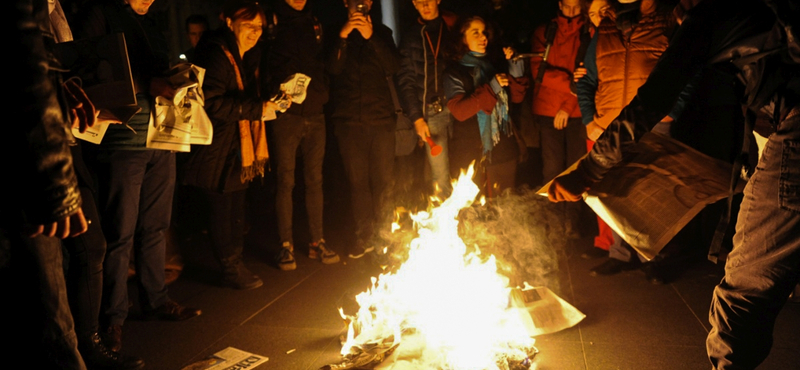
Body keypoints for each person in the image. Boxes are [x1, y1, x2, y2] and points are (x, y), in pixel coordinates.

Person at [547, 0, 800, 368]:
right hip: (783, 126)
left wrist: (588, 170)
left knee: (743, 292)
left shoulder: (712, 12)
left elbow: (652, 99)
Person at [77, 0, 201, 353]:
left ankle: (156, 298)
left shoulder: (152, 25)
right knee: (120, 232)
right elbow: (88, 66)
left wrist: (179, 77)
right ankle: (113, 319)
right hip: (123, 140)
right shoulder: (100, 13)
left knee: (156, 225)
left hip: (161, 136)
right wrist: (152, 82)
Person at [1, 0, 90, 368]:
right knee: (47, 322)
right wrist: (56, 184)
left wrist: (56, 86)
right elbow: (20, 56)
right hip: (17, 167)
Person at [574, 0, 683, 282]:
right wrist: (589, 119)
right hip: (610, 125)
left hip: (653, 124)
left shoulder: (667, 20)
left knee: (656, 196)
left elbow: (688, 70)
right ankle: (620, 254)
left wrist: (672, 112)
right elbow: (585, 80)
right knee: (614, 194)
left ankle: (659, 259)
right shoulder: (606, 27)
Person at [182, 1, 279, 290]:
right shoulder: (217, 53)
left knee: (236, 205)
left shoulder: (245, 54)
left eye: (259, 26)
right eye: (248, 25)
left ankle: (235, 263)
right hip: (217, 144)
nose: (255, 32)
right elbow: (211, 102)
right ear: (229, 23)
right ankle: (230, 266)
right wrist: (257, 109)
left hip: (234, 145)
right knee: (223, 207)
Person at [266, 0, 338, 271]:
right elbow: (264, 65)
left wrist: (321, 93)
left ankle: (317, 240)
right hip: (287, 116)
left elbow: (323, 63)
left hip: (316, 113)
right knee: (285, 181)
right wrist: (277, 92)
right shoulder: (272, 22)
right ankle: (286, 246)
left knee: (314, 180)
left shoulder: (315, 22)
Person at [328, 0, 401, 258]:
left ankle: (384, 240)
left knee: (384, 184)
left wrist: (371, 38)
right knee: (357, 184)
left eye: (365, 1)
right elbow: (332, 68)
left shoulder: (382, 33)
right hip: (348, 123)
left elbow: (393, 67)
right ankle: (365, 237)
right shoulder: (335, 32)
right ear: (345, 3)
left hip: (380, 120)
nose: (360, 7)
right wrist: (343, 37)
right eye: (355, 2)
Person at [443, 16, 528, 197]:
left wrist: (515, 66)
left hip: (502, 149)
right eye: (476, 33)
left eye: (484, 33)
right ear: (462, 38)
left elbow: (517, 99)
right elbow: (460, 111)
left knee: (505, 206)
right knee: (473, 212)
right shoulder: (454, 72)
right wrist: (491, 88)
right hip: (469, 151)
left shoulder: (496, 64)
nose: (483, 38)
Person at [530, 0, 591, 246]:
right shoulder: (545, 32)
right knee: (552, 169)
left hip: (576, 112)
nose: (572, 11)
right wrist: (569, 86)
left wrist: (567, 106)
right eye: (567, 5)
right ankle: (554, 224)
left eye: (576, 6)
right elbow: (539, 70)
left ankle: (572, 224)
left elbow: (586, 77)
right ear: (559, 4)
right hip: (547, 109)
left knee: (577, 168)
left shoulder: (589, 31)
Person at [397, 0, 458, 196]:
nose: (425, 4)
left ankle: (471, 220)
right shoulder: (411, 37)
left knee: (465, 164)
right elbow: (406, 81)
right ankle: (446, 222)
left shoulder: (452, 28)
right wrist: (417, 118)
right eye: (419, 1)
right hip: (433, 111)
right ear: (413, 3)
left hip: (459, 106)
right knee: (440, 175)